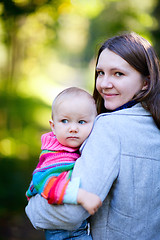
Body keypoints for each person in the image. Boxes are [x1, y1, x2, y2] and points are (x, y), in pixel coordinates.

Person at [25, 32, 160, 240]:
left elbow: (71, 213)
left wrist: (32, 208)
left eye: (118, 74)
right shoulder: (154, 125)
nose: (104, 83)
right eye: (100, 73)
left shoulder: (109, 128)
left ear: (146, 82)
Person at [25, 87, 102, 240]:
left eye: (81, 122)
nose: (73, 128)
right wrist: (81, 195)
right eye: (65, 121)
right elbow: (47, 184)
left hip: (79, 229)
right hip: (63, 233)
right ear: (53, 126)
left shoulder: (73, 149)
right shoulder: (56, 155)